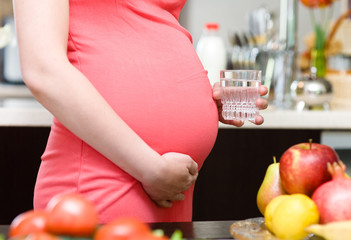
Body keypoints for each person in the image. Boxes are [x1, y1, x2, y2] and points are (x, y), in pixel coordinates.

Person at [13, 0, 268, 223]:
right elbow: (43, 69)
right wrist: (150, 169)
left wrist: (201, 101)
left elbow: (142, 31)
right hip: (103, 179)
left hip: (172, 188)